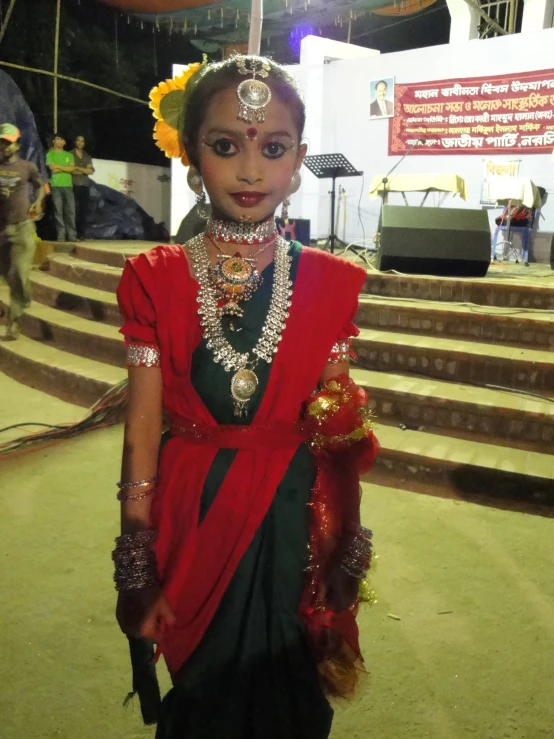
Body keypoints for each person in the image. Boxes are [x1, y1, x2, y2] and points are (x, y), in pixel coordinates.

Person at [114, 56, 379, 739]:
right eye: (226, 145)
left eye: (273, 147)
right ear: (191, 155)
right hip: (193, 513)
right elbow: (142, 433)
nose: (251, 171)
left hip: (290, 520)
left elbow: (338, 435)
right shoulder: (156, 278)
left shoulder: (329, 282)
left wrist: (345, 548)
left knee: (290, 696)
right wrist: (137, 565)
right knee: (204, 696)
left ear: (297, 159)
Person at [0, 123, 45, 339]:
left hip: (22, 227)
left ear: (16, 144)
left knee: (18, 271)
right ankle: (24, 294)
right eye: (1, 142)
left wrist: (37, 202)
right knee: (8, 275)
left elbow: (41, 187)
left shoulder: (27, 167)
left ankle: (14, 323)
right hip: (1, 229)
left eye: (7, 143)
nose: (3, 146)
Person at [46, 133, 76, 242]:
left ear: (64, 142)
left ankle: (72, 236)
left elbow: (72, 169)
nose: (59, 141)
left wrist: (59, 166)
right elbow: (52, 169)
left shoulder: (69, 155)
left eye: (62, 139)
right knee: (58, 212)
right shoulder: (50, 154)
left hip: (68, 185)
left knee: (71, 211)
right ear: (54, 141)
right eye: (57, 139)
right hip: (55, 185)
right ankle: (61, 236)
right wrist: (65, 168)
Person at [70, 134, 94, 240]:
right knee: (72, 210)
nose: (80, 143)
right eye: (78, 140)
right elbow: (71, 170)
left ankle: (81, 234)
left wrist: (78, 168)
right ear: (75, 142)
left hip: (84, 185)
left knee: (83, 211)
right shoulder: (69, 154)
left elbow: (90, 171)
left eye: (82, 141)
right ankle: (72, 233)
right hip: (73, 185)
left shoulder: (87, 156)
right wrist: (83, 170)